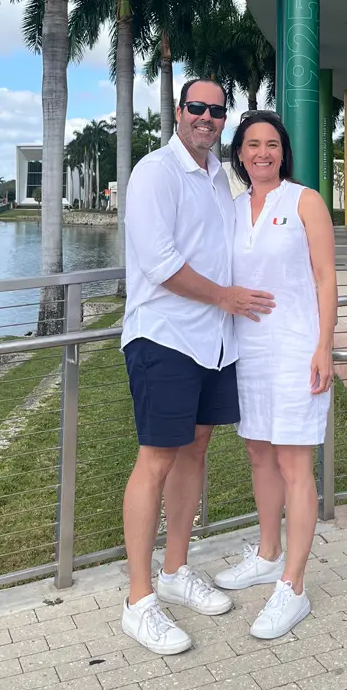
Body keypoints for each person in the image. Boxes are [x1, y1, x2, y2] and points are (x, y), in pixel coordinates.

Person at [120, 80, 276, 656]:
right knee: (156, 459)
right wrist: (225, 298)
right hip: (164, 337)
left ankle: (175, 569)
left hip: (214, 342)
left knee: (195, 451)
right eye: (197, 108)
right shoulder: (154, 173)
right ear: (179, 112)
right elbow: (159, 264)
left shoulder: (218, 177)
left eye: (216, 110)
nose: (207, 118)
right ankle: (139, 601)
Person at [213, 111, 338, 640]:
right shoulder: (232, 208)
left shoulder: (304, 201)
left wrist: (324, 347)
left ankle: (293, 585)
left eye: (271, 144)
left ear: (282, 152)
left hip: (295, 349)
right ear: (239, 154)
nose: (261, 153)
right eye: (251, 145)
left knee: (293, 461)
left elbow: (326, 275)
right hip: (250, 352)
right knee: (258, 451)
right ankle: (267, 553)